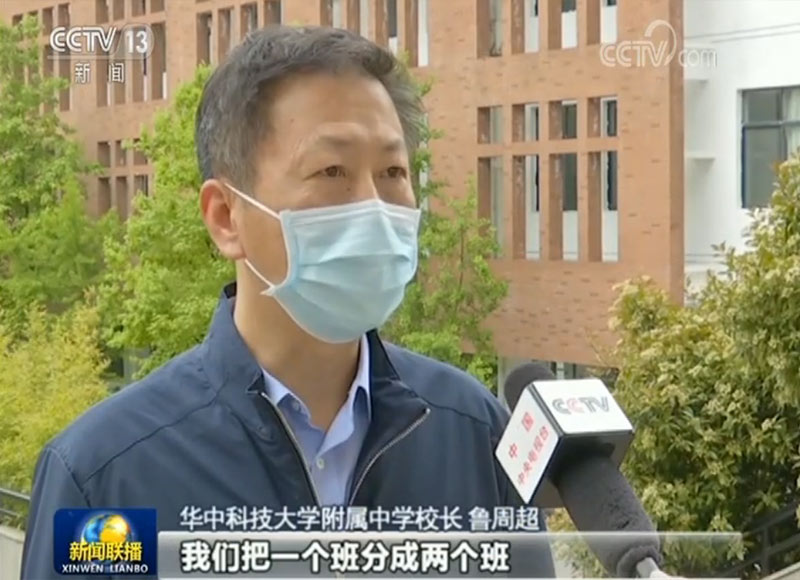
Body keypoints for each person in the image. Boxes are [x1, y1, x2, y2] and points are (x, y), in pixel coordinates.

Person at [20, 26, 555, 579]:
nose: (374, 207)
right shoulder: (105, 475)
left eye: (393, 172)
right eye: (332, 171)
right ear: (226, 217)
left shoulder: (473, 432)